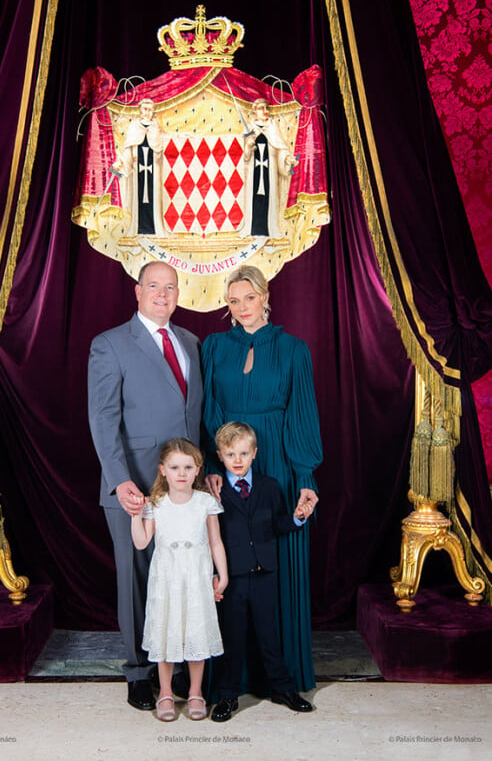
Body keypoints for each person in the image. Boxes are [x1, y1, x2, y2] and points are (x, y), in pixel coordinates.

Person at [202, 264, 322, 696]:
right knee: (231, 562)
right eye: (233, 301)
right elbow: (209, 411)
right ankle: (231, 681)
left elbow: (302, 412)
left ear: (265, 297)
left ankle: (283, 677)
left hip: (280, 467)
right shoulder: (214, 347)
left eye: (248, 298)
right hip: (229, 467)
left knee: (279, 564)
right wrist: (215, 469)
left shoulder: (293, 349)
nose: (241, 308)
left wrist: (305, 475)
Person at [88, 261, 203, 712]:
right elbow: (102, 419)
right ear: (137, 292)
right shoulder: (110, 345)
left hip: (185, 488)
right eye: (153, 286)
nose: (162, 293)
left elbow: (193, 417)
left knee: (185, 577)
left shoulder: (191, 342)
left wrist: (203, 469)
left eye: (170, 287)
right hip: (134, 486)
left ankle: (181, 675)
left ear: (179, 293)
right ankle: (139, 673)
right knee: (138, 582)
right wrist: (119, 481)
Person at [210, 422, 313, 722]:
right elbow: (212, 538)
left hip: (266, 574)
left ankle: (282, 688)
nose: (238, 460)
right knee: (233, 637)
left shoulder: (269, 486)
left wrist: (295, 519)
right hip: (234, 579)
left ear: (255, 453)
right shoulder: (214, 492)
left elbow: (276, 525)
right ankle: (227, 695)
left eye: (243, 453)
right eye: (230, 454)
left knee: (270, 634)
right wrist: (214, 575)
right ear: (220, 456)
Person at [131, 438, 228, 722]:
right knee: (167, 634)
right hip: (167, 581)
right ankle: (165, 693)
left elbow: (215, 542)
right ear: (163, 470)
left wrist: (222, 575)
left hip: (197, 578)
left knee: (195, 632)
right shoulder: (157, 504)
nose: (181, 473)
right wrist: (136, 516)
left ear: (197, 469)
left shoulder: (205, 502)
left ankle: (196, 692)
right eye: (175, 467)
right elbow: (141, 543)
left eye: (188, 466)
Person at [243, 99, 296, 238]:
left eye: (266, 108)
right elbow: (244, 155)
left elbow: (281, 147)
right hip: (254, 168)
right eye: (261, 108)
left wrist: (286, 158)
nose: (265, 111)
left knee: (269, 195)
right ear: (255, 111)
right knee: (255, 197)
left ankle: (270, 229)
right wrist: (248, 145)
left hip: (270, 167)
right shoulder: (250, 127)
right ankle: (252, 229)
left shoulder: (273, 126)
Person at [113, 98, 165, 236]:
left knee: (152, 200)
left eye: (150, 110)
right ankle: (136, 229)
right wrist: (121, 164)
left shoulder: (155, 127)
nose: (148, 113)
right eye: (145, 109)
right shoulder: (134, 127)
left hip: (153, 170)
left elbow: (159, 151)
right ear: (140, 110)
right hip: (137, 171)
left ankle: (155, 229)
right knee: (138, 199)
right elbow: (128, 150)